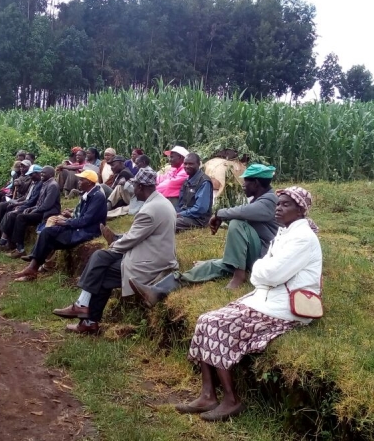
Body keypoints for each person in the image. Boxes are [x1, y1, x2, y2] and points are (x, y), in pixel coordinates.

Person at [175, 186, 322, 422]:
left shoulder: (303, 238)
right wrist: (263, 271)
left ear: (300, 210)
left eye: (286, 204)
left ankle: (231, 400)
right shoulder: (285, 232)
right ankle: (207, 395)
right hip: (267, 299)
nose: (278, 208)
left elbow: (269, 273)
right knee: (205, 320)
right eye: (278, 203)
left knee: (218, 324)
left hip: (285, 308)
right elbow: (267, 271)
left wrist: (260, 270)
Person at [130, 163, 278, 308]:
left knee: (236, 223)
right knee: (207, 267)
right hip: (251, 256)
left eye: (246, 181)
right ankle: (156, 291)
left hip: (263, 257)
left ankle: (238, 276)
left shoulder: (270, 201)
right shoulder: (260, 200)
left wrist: (219, 214)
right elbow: (246, 216)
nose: (243, 185)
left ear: (256, 183)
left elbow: (242, 213)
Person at [52, 167, 179, 334]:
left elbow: (131, 240)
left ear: (141, 187)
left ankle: (85, 314)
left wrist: (114, 245)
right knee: (101, 260)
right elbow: (139, 234)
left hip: (150, 264)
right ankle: (86, 315)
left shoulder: (150, 210)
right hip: (154, 255)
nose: (132, 190)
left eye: (134, 186)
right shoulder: (161, 202)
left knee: (101, 266)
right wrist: (118, 239)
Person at [13, 170, 107, 281]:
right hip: (78, 227)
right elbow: (81, 216)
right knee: (47, 232)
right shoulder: (88, 194)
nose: (78, 182)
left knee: (49, 237)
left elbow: (86, 220)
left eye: (81, 180)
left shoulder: (97, 196)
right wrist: (68, 219)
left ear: (90, 182)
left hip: (87, 231)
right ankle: (32, 268)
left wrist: (66, 222)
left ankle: (33, 269)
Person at [0, 166, 61, 256]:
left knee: (21, 218)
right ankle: (6, 242)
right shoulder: (46, 183)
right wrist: (31, 208)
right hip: (41, 211)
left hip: (47, 214)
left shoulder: (52, 185)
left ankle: (20, 249)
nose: (42, 174)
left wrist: (34, 210)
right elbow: (40, 203)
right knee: (14, 215)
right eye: (41, 172)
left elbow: (47, 205)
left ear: (50, 174)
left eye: (44, 173)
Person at [0, 165, 43, 242]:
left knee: (11, 212)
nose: (30, 176)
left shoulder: (40, 184)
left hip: (29, 206)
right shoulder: (34, 182)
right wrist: (16, 201)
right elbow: (26, 196)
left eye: (32, 174)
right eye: (30, 174)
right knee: (2, 205)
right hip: (24, 202)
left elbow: (32, 201)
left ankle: (3, 237)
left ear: (38, 173)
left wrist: (18, 204)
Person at [175, 153, 214, 232]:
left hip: (199, 219)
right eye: (185, 164)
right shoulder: (186, 181)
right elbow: (181, 204)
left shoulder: (204, 182)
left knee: (170, 223)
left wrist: (181, 214)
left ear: (198, 164)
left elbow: (200, 209)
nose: (187, 166)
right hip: (186, 215)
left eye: (191, 164)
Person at [106, 155, 151, 219]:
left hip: (141, 201)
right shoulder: (143, 171)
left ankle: (105, 214)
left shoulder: (146, 173)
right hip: (136, 198)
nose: (136, 166)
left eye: (137, 163)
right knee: (119, 187)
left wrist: (126, 183)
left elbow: (138, 190)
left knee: (122, 209)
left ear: (143, 162)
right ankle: (108, 205)